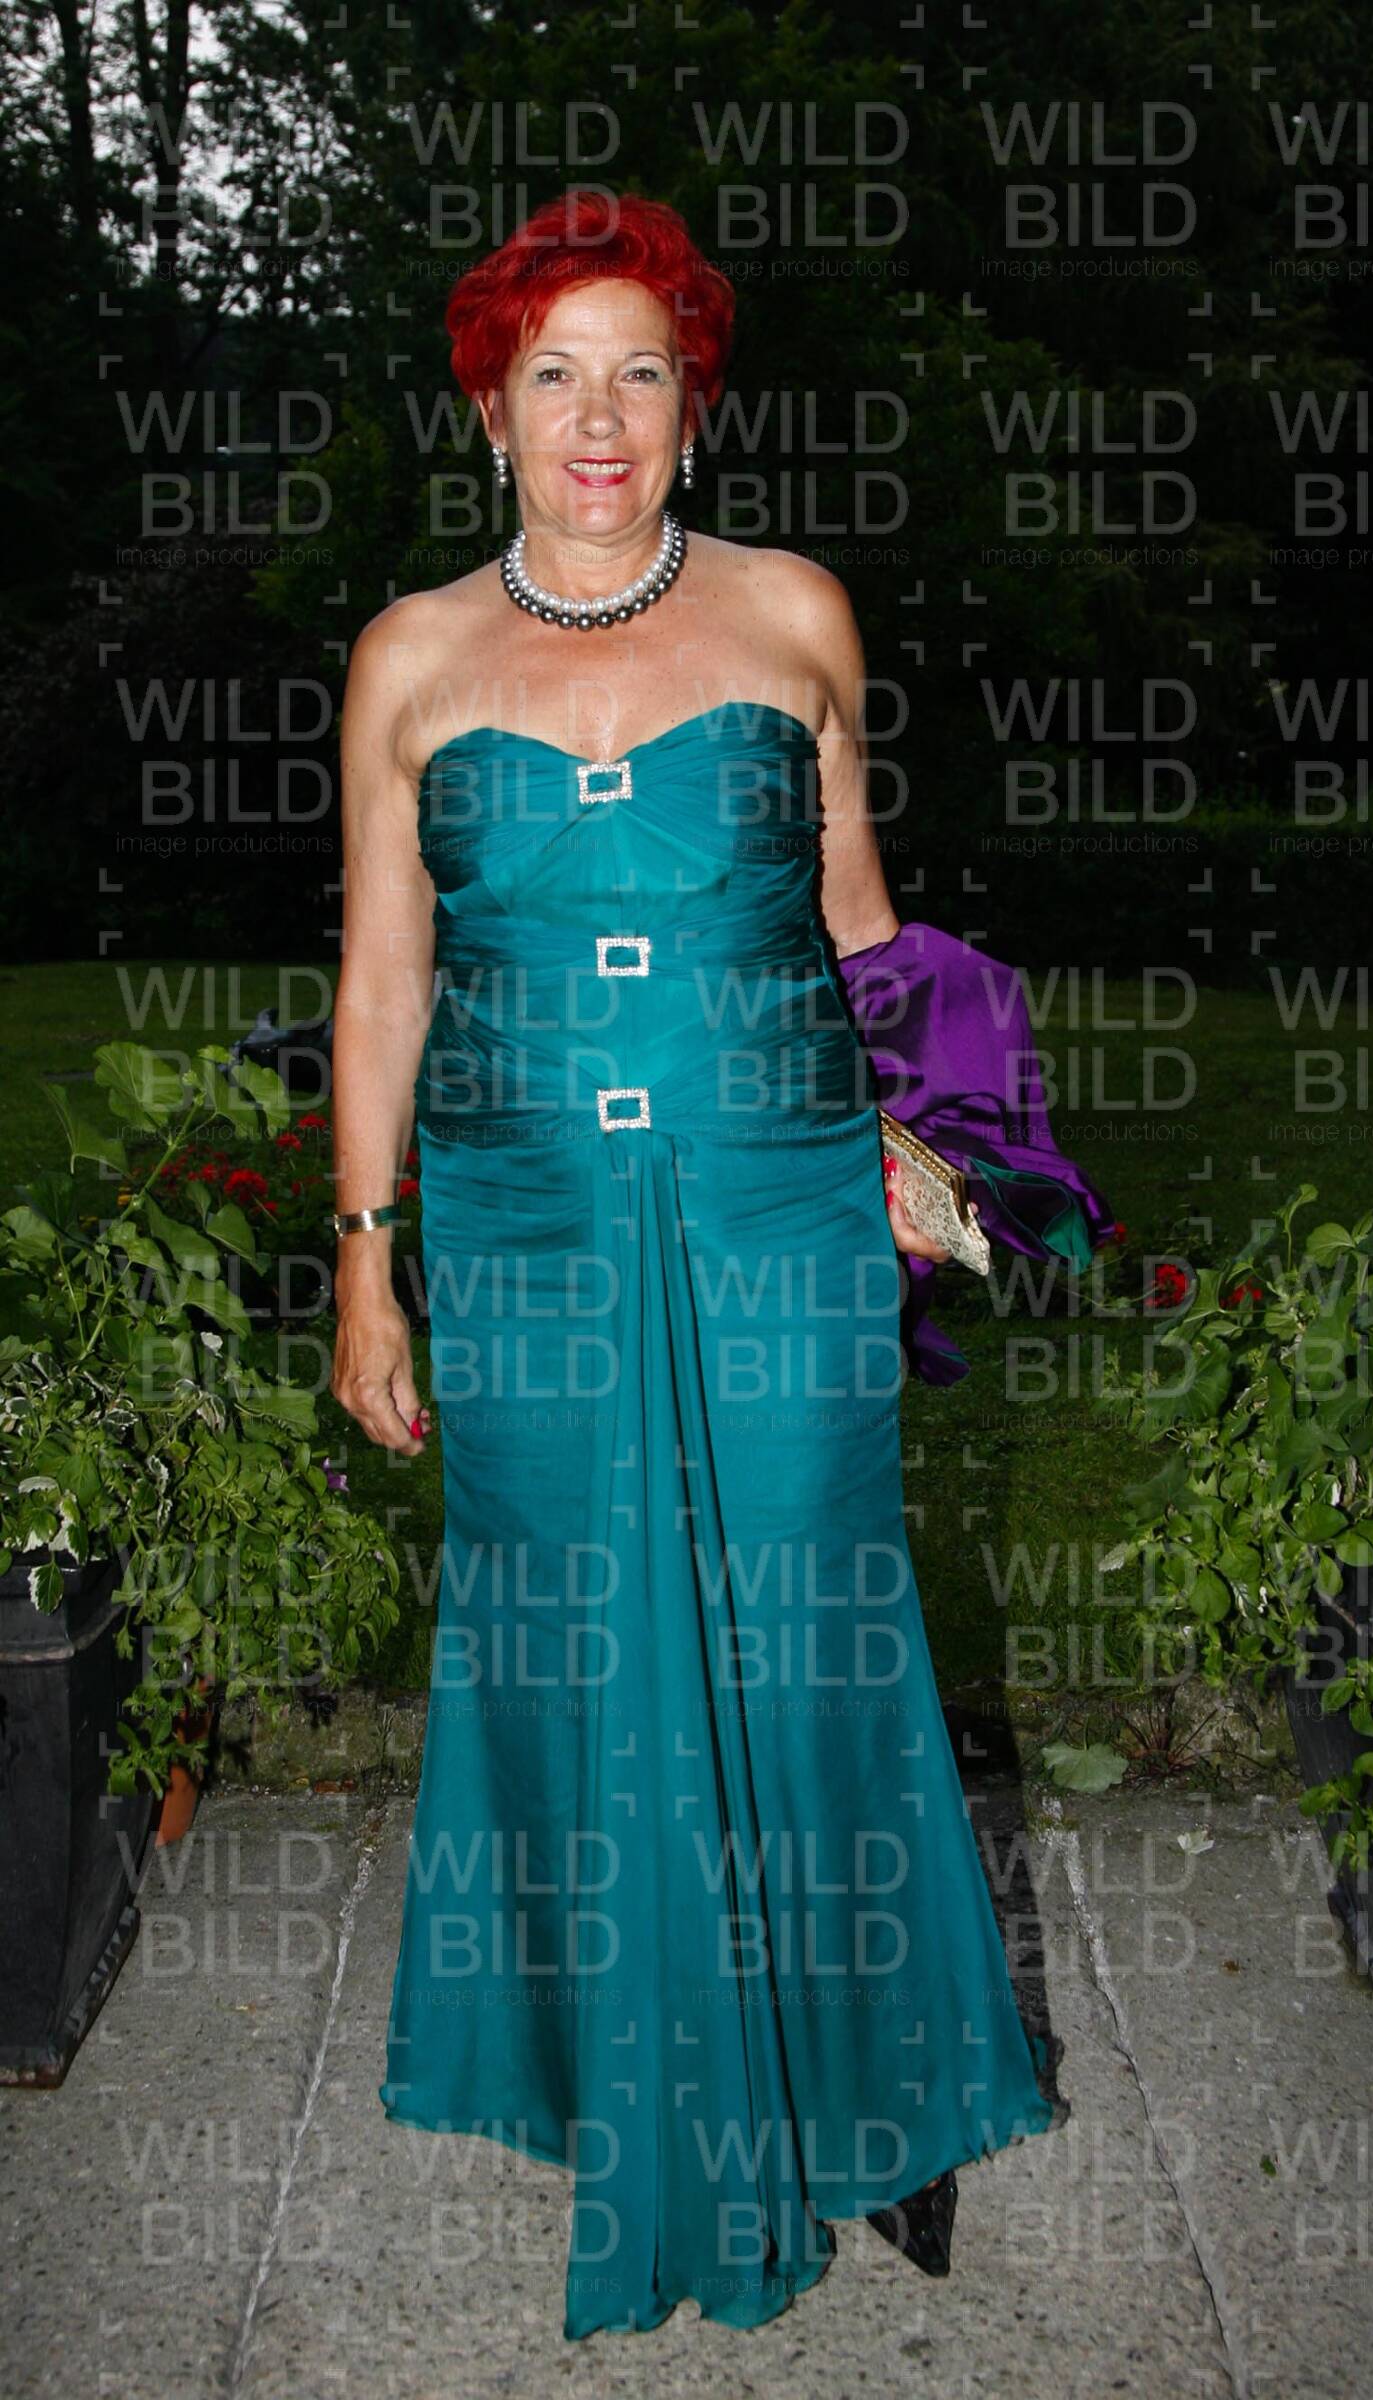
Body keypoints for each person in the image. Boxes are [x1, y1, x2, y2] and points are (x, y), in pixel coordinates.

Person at [330, 188, 1106, 2341]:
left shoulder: (791, 615)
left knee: (813, 1637)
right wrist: (367, 1262)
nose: (599, 420)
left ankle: (871, 2093)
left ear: (694, 407)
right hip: (523, 1229)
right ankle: (638, 2103)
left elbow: (865, 934)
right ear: (491, 412)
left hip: (778, 1207)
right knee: (576, 1650)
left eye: (641, 376)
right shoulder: (409, 657)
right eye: (553, 377)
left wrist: (937, 1136)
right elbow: (382, 984)